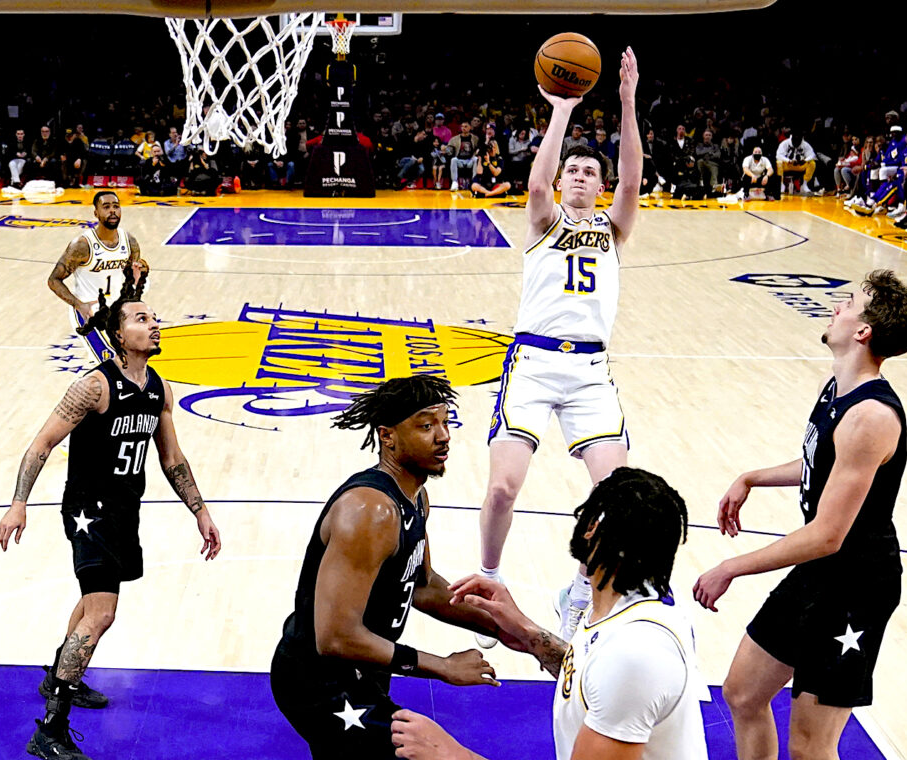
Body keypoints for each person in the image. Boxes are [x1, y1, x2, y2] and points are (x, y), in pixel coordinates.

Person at [693, 270, 907, 760]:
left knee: (810, 746)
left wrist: (731, 566)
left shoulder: (872, 417)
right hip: (821, 574)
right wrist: (753, 476)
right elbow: (823, 462)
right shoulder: (838, 388)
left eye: (849, 303)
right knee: (742, 692)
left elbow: (826, 535)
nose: (836, 307)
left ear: (863, 332)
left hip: (856, 588)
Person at [0, 270, 222, 760]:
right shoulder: (95, 387)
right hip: (88, 511)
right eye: (142, 318)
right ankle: (50, 729)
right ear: (119, 334)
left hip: (126, 510)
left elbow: (173, 460)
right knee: (102, 613)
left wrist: (200, 512)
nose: (155, 325)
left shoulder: (157, 388)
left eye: (156, 318)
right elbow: (42, 443)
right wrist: (19, 502)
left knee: (90, 606)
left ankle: (61, 674)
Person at [478, 47, 641, 645]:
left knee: (614, 493)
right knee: (503, 486)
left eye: (588, 172)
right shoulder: (545, 220)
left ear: (600, 186)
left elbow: (632, 176)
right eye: (574, 170)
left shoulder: (613, 228)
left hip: (591, 371)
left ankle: (578, 587)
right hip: (534, 361)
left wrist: (625, 101)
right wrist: (561, 111)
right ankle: (488, 580)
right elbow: (538, 178)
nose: (579, 176)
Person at [391, 467, 709, 760]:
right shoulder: (635, 595)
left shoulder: (634, 655)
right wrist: (531, 636)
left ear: (594, 531)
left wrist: (455, 755)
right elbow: (589, 677)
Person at [269, 375, 508, 760]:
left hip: (362, 669)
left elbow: (425, 586)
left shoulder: (416, 498)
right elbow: (335, 638)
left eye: (446, 423)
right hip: (319, 680)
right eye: (426, 425)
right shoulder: (371, 511)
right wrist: (442, 666)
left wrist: (509, 628)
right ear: (388, 436)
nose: (444, 436)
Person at [48, 191, 146, 362]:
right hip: (90, 314)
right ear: (96, 213)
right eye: (106, 207)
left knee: (126, 366)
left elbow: (132, 279)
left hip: (118, 313)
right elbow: (53, 280)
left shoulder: (129, 241)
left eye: (116, 206)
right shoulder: (82, 245)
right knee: (111, 365)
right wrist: (79, 305)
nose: (112, 211)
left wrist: (142, 274)